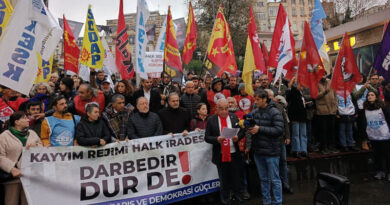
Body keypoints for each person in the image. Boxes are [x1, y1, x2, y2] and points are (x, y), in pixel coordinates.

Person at [247, 90, 284, 205]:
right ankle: (266, 201)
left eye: (258, 99)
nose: (255, 102)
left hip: (271, 151)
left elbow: (279, 130)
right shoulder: (255, 112)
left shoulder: (275, 112)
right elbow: (252, 127)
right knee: (263, 179)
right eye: (255, 99)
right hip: (258, 151)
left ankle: (277, 202)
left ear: (264, 99)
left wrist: (260, 129)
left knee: (274, 179)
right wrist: (248, 127)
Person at [205, 99, 245, 205]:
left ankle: (239, 199)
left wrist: (238, 137)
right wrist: (217, 139)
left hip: (234, 154)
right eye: (221, 109)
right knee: (224, 181)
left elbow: (242, 132)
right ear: (216, 109)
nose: (224, 111)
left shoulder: (233, 117)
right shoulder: (211, 120)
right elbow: (207, 137)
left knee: (237, 179)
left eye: (226, 109)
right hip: (220, 155)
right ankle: (225, 201)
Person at [0, 111, 42, 205]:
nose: (28, 120)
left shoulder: (32, 133)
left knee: (28, 201)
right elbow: (1, 156)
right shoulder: (4, 136)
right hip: (13, 177)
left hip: (30, 175)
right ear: (16, 121)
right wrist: (12, 169)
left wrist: (35, 146)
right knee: (11, 201)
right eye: (24, 118)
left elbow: (41, 148)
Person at [265, 89, 293, 194]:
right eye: (268, 96)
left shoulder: (279, 107)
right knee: (272, 165)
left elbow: (285, 123)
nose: (270, 98)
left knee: (283, 163)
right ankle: (275, 187)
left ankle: (286, 184)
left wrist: (288, 136)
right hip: (269, 142)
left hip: (280, 140)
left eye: (271, 96)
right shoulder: (261, 108)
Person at [363, 91, 390, 181]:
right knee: (377, 156)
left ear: (376, 97)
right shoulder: (365, 109)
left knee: (387, 155)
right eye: (368, 95)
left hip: (384, 135)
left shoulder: (383, 108)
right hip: (373, 136)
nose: (369, 96)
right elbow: (363, 124)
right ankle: (380, 172)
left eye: (372, 95)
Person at [316, 75, 338, 154]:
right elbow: (315, 96)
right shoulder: (316, 83)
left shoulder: (330, 82)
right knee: (323, 130)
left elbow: (335, 95)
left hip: (332, 110)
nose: (323, 76)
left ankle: (331, 146)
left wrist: (335, 105)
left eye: (324, 74)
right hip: (322, 111)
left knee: (331, 130)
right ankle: (324, 147)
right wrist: (325, 91)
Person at [287, 80, 308, 158]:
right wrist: (291, 84)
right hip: (295, 116)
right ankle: (296, 150)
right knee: (296, 134)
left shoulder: (301, 93)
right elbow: (289, 97)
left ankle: (303, 150)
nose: (302, 87)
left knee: (303, 134)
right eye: (300, 85)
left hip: (302, 116)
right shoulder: (294, 91)